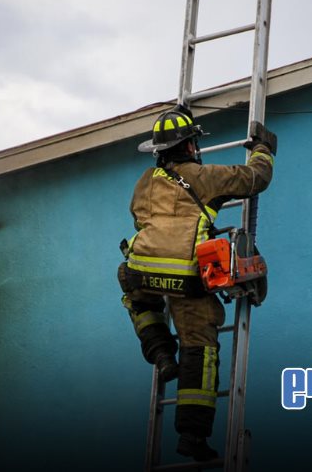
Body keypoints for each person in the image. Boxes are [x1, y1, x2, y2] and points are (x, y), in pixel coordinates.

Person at [117, 105, 275, 461]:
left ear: (159, 151)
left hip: (141, 271)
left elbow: (139, 219)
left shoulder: (144, 183)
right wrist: (263, 148)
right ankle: (192, 436)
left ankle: (161, 352)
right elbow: (256, 179)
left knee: (138, 299)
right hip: (188, 281)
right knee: (200, 349)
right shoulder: (206, 177)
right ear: (190, 146)